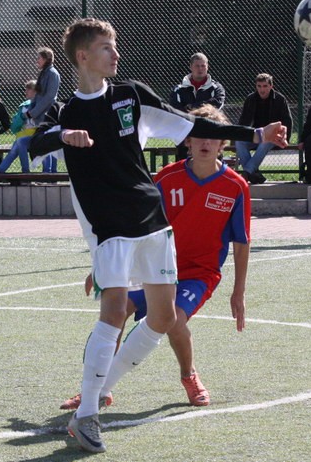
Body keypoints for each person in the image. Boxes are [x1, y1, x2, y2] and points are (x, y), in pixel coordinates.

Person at [28, 17, 286, 453]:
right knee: (114, 310)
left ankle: (99, 392)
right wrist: (63, 134)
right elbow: (34, 143)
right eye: (107, 47)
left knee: (164, 318)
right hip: (109, 227)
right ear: (83, 56)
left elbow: (192, 124)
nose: (116, 54)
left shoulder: (131, 95)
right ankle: (87, 414)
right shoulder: (66, 111)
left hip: (152, 219)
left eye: (115, 46)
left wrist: (255, 133)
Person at [59, 104, 250, 411]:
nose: (205, 142)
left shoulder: (235, 187)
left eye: (212, 137)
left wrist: (238, 291)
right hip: (152, 265)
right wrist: (103, 266)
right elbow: (133, 219)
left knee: (173, 320)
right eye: (199, 135)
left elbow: (241, 242)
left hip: (198, 273)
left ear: (222, 144)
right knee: (115, 313)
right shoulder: (166, 178)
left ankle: (189, 375)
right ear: (187, 140)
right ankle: (95, 388)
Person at [236, 73, 293, 184]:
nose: (262, 89)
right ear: (256, 86)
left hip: (274, 136)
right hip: (256, 135)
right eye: (259, 86)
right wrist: (238, 136)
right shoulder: (250, 99)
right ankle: (253, 174)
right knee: (240, 142)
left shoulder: (280, 99)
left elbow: (287, 121)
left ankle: (246, 173)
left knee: (265, 142)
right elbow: (243, 121)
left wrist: (285, 138)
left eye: (265, 86)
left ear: (271, 86)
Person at [169, 52, 226, 160]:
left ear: (207, 67)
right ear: (191, 67)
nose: (200, 69)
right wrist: (202, 108)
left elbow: (216, 105)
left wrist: (190, 107)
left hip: (210, 130)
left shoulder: (216, 88)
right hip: (187, 130)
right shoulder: (178, 89)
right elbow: (175, 110)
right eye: (197, 66)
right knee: (184, 163)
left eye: (203, 66)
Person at [26, 47, 61, 173]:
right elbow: (38, 95)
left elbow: (49, 97)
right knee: (43, 143)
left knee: (48, 143)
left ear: (47, 59)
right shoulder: (43, 73)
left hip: (48, 115)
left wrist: (34, 112)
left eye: (39, 58)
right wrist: (30, 109)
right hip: (40, 114)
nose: (37, 60)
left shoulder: (53, 74)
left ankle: (50, 173)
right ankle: (47, 173)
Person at [0, 80, 37, 174]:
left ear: (36, 91)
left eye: (29, 89)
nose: (26, 91)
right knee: (16, 147)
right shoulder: (24, 106)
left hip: (39, 136)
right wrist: (20, 117)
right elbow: (14, 128)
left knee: (18, 144)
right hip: (27, 137)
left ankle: (23, 172)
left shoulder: (42, 105)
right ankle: (1, 172)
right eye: (26, 89)